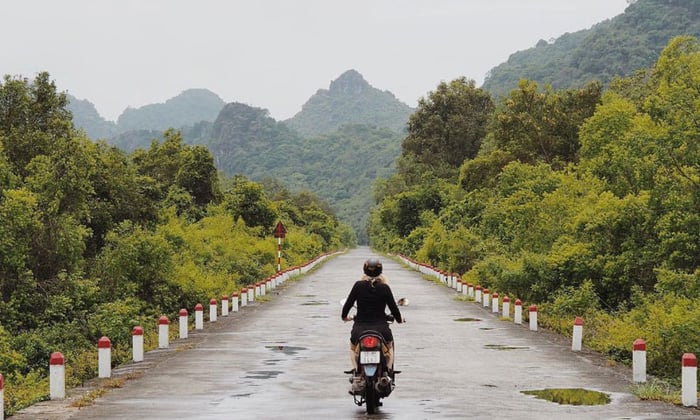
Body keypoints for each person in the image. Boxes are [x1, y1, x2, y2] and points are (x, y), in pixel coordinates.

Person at [341, 258, 403, 384]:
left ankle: (355, 371)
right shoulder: (385, 288)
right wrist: (399, 320)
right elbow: (394, 308)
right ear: (380, 270)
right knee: (389, 346)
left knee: (353, 348)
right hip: (381, 328)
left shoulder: (358, 286)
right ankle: (388, 372)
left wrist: (345, 317)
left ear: (365, 269)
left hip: (360, 328)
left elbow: (347, 305)